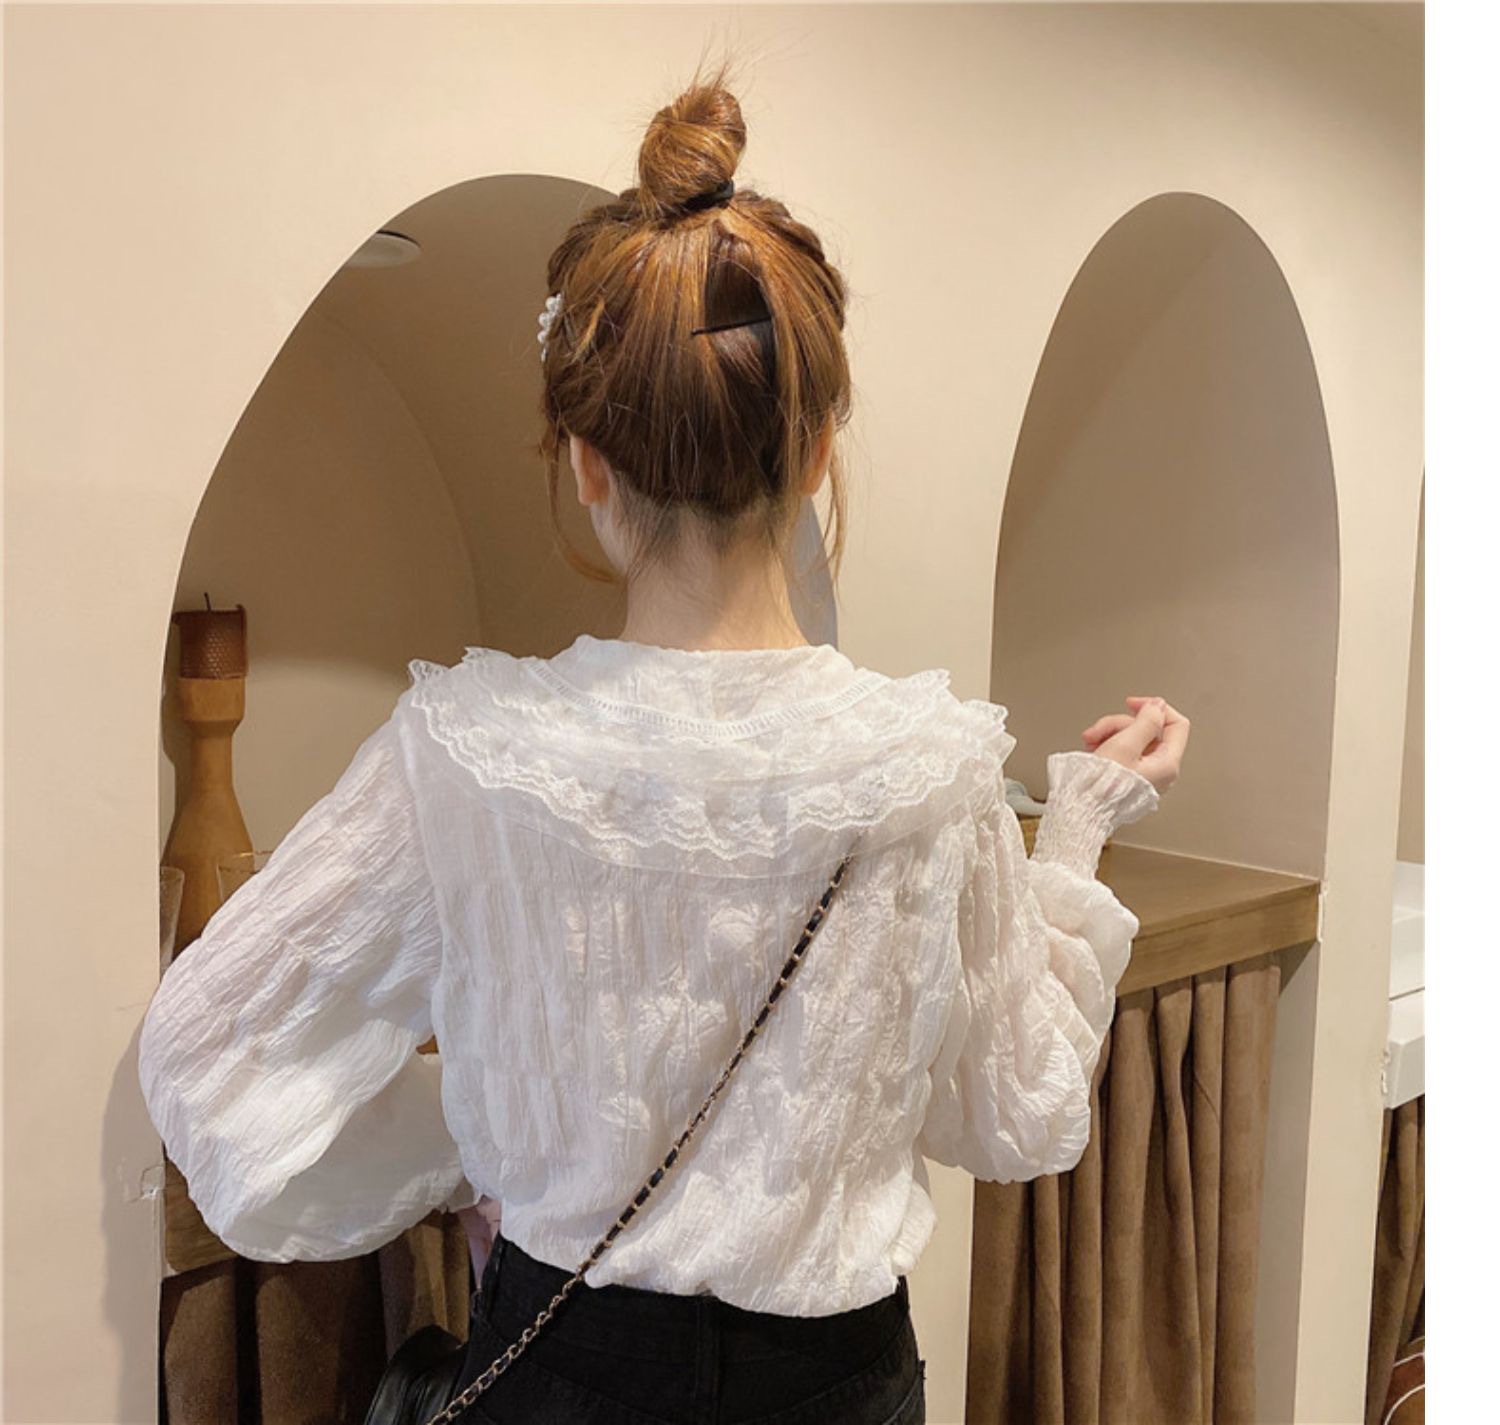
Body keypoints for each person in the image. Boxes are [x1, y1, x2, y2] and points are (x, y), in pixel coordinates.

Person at [138, 56, 1189, 1425]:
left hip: (557, 1369)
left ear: (587, 464)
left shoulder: (470, 756)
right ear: (817, 454)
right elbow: (1020, 1110)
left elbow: (210, 1061)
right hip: (839, 1391)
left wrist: (485, 1133)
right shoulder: (926, 769)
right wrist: (1084, 817)